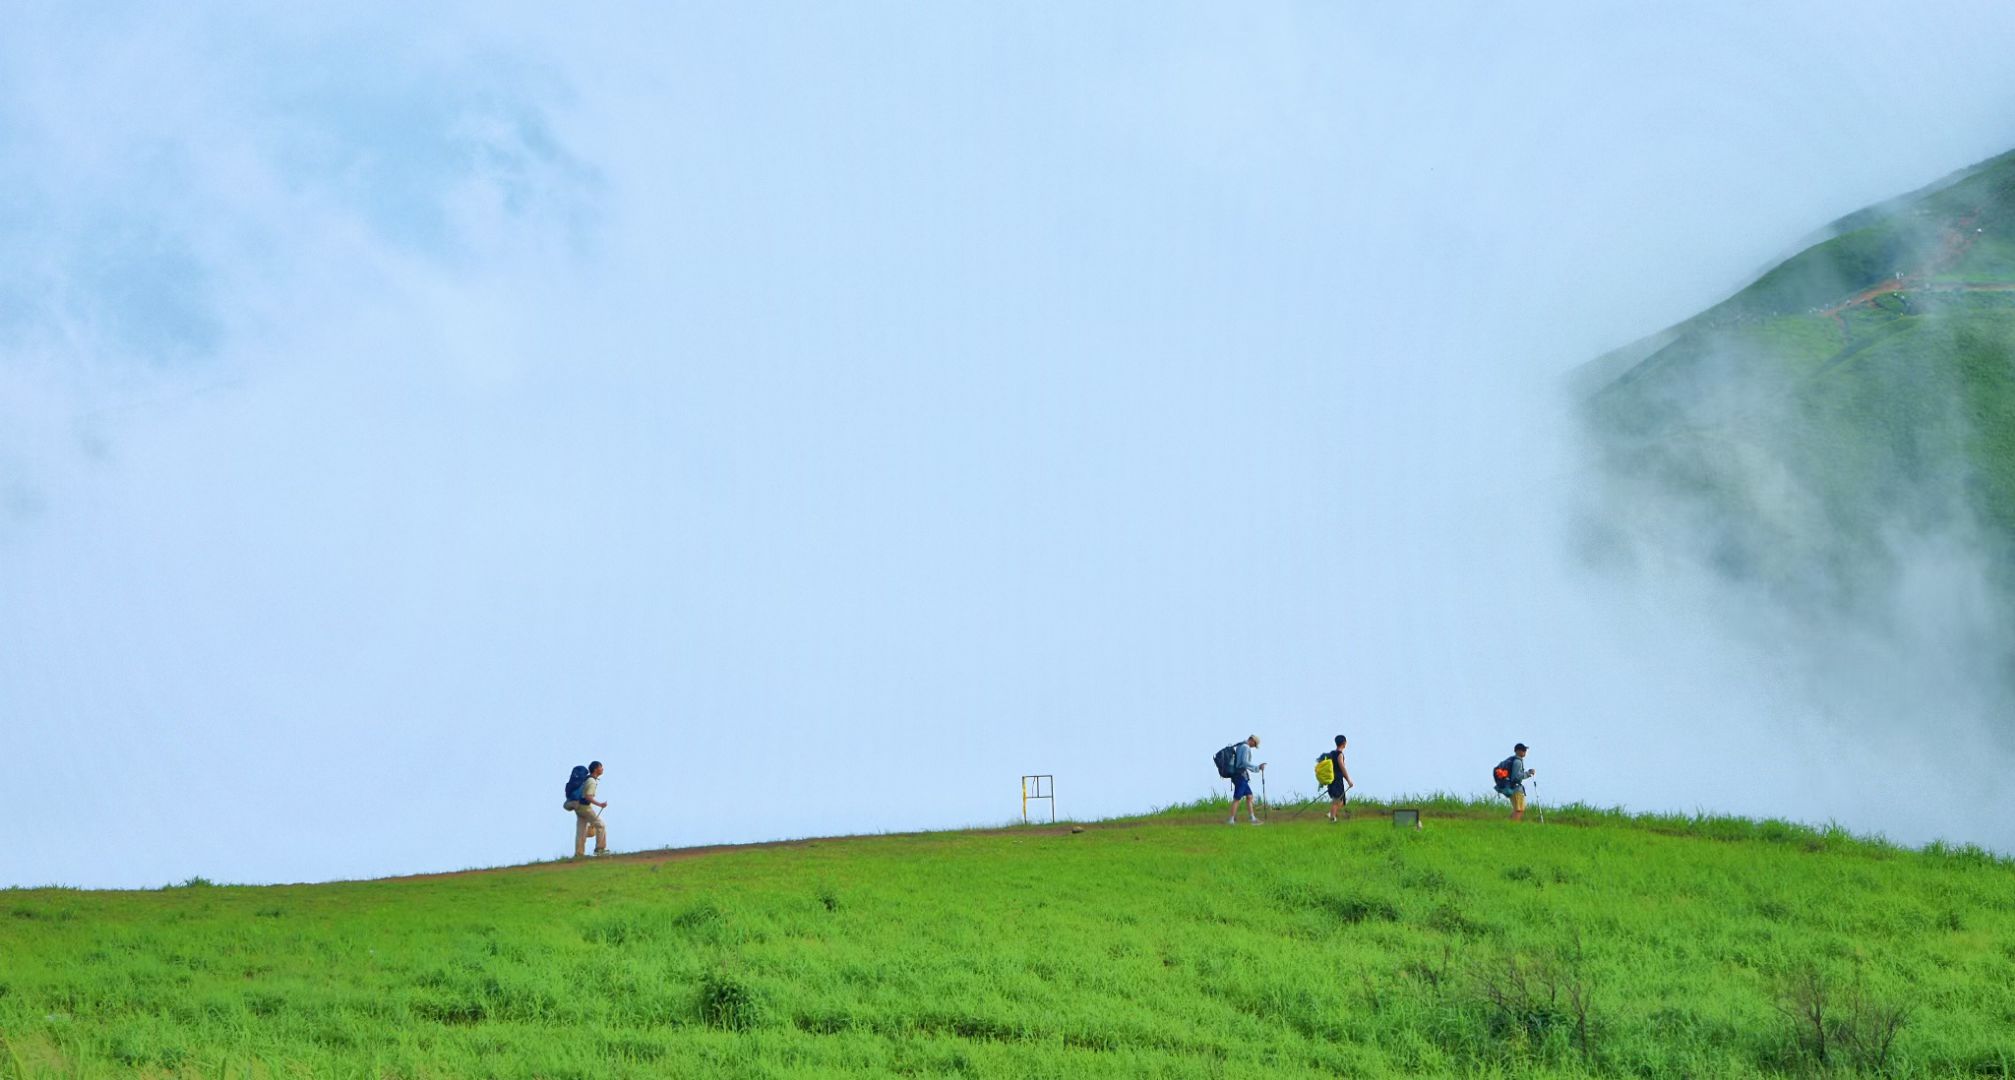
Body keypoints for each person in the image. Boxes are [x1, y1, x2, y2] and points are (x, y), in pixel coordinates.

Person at [565, 760, 610, 857]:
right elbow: (588, 796)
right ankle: (600, 849)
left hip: (577, 806)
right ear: (595, 769)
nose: (602, 769)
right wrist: (600, 804)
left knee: (581, 831)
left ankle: (579, 853)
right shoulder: (591, 781)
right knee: (601, 825)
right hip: (585, 807)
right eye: (600, 767)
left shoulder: (586, 779)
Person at [1228, 736, 1266, 825]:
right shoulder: (1245, 747)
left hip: (1239, 775)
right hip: (1240, 775)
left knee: (1249, 796)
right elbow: (1245, 763)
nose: (1254, 746)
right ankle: (1231, 820)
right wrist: (1257, 768)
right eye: (1255, 744)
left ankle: (1252, 818)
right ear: (1251, 740)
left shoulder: (1240, 746)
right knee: (1237, 798)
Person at [1493, 743, 1535, 822]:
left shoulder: (1514, 760)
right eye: (1523, 750)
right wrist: (1528, 773)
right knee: (1519, 810)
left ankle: (1508, 824)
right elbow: (1516, 777)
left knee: (1519, 809)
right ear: (1518, 751)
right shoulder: (1517, 762)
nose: (1525, 752)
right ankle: (1512, 825)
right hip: (1516, 789)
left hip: (1514, 788)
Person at [1321, 735, 1354, 822]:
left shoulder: (1332, 753)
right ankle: (1332, 818)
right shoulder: (1340, 755)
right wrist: (1349, 781)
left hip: (1331, 779)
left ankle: (1331, 813)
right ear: (1344, 743)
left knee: (1342, 801)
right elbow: (1342, 768)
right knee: (1337, 800)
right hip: (1337, 780)